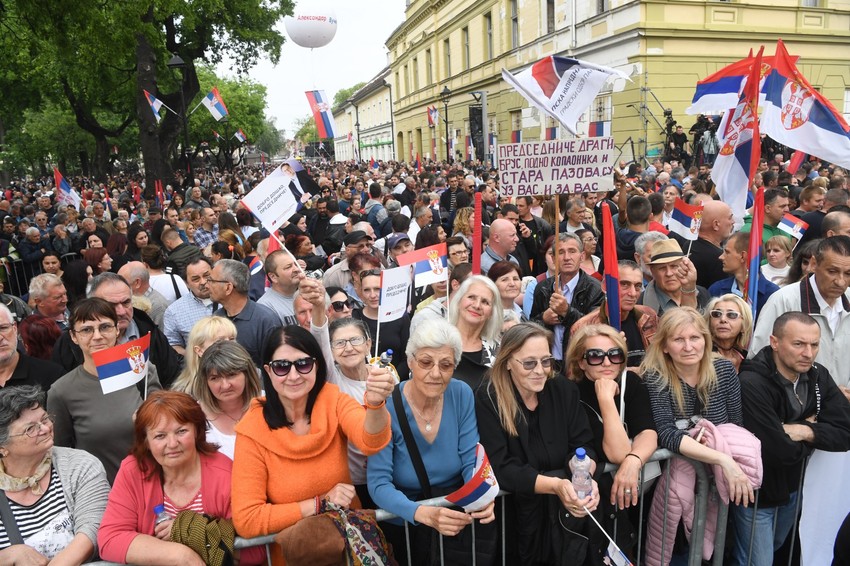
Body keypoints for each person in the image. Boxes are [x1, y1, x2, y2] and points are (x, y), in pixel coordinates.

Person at [231, 326, 394, 566]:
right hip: (294, 558)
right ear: (268, 370)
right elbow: (247, 519)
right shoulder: (253, 428)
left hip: (350, 551)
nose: (294, 375)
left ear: (317, 365)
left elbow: (371, 441)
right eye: (282, 366)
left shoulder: (333, 400)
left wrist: (375, 403)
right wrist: (319, 504)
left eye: (303, 364)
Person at [368, 318, 496, 565]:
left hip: (453, 521)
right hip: (404, 526)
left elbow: (471, 460)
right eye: (426, 362)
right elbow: (378, 484)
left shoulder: (461, 394)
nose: (435, 373)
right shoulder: (387, 405)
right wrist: (421, 513)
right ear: (411, 362)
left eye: (446, 365)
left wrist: (480, 499)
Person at [475, 323, 601, 565]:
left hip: (565, 517)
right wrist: (555, 485)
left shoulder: (563, 389)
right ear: (508, 362)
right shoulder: (488, 398)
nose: (540, 371)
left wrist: (585, 477)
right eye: (529, 363)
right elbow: (498, 465)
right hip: (514, 520)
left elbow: (583, 444)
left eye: (546, 361)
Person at [97, 390, 265, 565]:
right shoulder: (134, 470)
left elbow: (255, 550)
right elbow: (110, 538)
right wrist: (180, 555)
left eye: (181, 431)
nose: (172, 444)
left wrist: (187, 532)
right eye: (160, 436)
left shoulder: (225, 473)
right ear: (145, 440)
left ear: (197, 431)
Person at [735, 313, 850, 566]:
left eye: (815, 345)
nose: (808, 353)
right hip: (756, 495)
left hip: (794, 490)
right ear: (775, 342)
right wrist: (814, 432)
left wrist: (804, 431)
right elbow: (777, 451)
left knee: (775, 549)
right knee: (758, 561)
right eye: (799, 344)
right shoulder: (752, 382)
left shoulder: (818, 375)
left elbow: (846, 431)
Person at [640, 306, 754, 496]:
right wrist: (723, 459)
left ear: (705, 340)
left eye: (694, 338)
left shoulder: (724, 370)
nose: (688, 347)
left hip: (720, 480)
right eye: (678, 339)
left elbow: (736, 426)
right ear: (665, 346)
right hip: (673, 480)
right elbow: (666, 433)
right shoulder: (656, 376)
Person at [48, 298, 163, 483]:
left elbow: (164, 428)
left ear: (117, 330)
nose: (97, 336)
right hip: (103, 496)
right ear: (73, 336)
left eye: (105, 327)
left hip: (153, 483)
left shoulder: (142, 370)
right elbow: (61, 455)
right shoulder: (61, 391)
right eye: (86, 330)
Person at [0, 385, 110, 564]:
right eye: (30, 429)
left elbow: (92, 529)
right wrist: (7, 556)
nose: (44, 428)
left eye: (45, 419)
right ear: (2, 448)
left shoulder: (81, 465)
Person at [566, 325, 657, 509]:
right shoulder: (571, 393)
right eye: (595, 356)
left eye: (615, 354)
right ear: (581, 362)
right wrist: (606, 399)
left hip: (639, 493)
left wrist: (633, 461)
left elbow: (647, 432)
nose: (606, 363)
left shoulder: (631, 383)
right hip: (595, 499)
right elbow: (618, 454)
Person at [751, 236, 850, 394]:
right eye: (832, 271)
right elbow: (759, 361)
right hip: (797, 412)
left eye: (848, 274)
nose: (841, 281)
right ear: (813, 264)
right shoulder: (783, 300)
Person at [51, 272, 183, 388]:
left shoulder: (148, 329)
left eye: (126, 302)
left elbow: (172, 373)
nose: (121, 311)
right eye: (111, 305)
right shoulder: (67, 344)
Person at [531, 233, 605, 362]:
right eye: (561, 252)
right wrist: (543, 319)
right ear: (553, 259)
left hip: (579, 362)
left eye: (572, 251)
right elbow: (530, 327)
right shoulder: (542, 288)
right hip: (548, 362)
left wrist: (566, 312)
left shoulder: (595, 289)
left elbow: (595, 329)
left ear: (582, 256)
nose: (566, 257)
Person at [190, 340, 262, 460]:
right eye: (215, 378)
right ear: (205, 382)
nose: (225, 385)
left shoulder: (269, 405)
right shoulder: (195, 417)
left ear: (247, 374)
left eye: (231, 375)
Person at [209, 259, 281, 368]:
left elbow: (276, 367)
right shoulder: (217, 317)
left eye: (211, 281)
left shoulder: (266, 321)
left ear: (228, 287)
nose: (207, 285)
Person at [353, 267, 411, 379]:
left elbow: (407, 357)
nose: (373, 295)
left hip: (395, 383)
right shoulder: (355, 318)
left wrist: (392, 378)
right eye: (367, 290)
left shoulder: (400, 316)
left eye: (377, 289)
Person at [708, 231, 779, 321]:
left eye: (727, 252)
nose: (721, 257)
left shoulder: (772, 295)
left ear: (743, 256)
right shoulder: (717, 290)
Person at [447, 275, 503, 388]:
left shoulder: (499, 351)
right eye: (471, 297)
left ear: (491, 312)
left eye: (485, 302)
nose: (477, 305)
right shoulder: (437, 339)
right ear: (459, 301)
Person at [638, 238, 710, 316]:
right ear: (653, 271)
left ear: (684, 266)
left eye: (674, 266)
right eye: (662, 268)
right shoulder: (641, 304)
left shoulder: (702, 294)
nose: (669, 273)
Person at [171, 316, 238, 394]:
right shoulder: (185, 393)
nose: (229, 345)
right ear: (199, 350)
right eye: (219, 341)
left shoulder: (251, 375)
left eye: (232, 339)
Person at [163, 257, 215, 355]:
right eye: (196, 279)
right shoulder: (174, 311)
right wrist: (194, 356)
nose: (203, 282)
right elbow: (173, 345)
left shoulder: (229, 297)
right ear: (186, 283)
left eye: (207, 275)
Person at [705, 294, 752, 372]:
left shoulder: (745, 356)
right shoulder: (702, 354)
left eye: (731, 315)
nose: (723, 319)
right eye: (716, 314)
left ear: (744, 325)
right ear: (709, 321)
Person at [258, 249, 304, 326]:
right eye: (288, 267)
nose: (296, 269)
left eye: (296, 264)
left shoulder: (308, 293)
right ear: (273, 277)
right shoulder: (265, 307)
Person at [118, 261, 170, 327]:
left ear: (137, 283)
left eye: (123, 283)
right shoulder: (128, 300)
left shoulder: (158, 307)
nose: (118, 287)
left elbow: (161, 335)